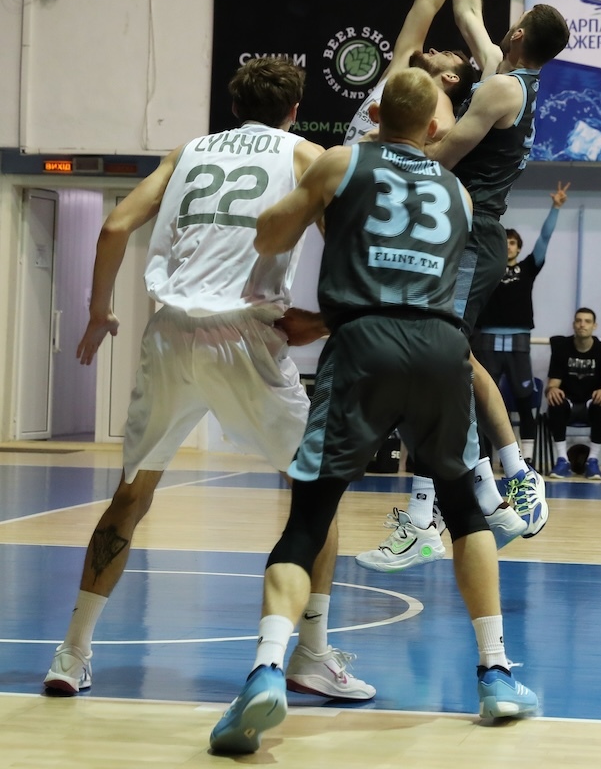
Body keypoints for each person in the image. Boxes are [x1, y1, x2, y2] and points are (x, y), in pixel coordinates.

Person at [209, 68, 539, 755]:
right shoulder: (457, 191)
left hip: (363, 345)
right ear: (435, 128)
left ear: (377, 114)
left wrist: (309, 212)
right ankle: (497, 674)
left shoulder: (342, 160)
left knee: (308, 519)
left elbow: (269, 237)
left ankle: (267, 669)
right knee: (464, 511)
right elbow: (421, 275)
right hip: (441, 348)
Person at [43, 57, 374, 703]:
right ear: (294, 111)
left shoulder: (186, 151)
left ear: (234, 108)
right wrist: (329, 321)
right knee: (316, 493)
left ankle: (72, 652)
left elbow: (114, 227)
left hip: (169, 335)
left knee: (130, 498)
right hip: (246, 332)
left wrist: (99, 311)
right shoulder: (306, 154)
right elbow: (348, 247)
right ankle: (309, 653)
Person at [356, 0, 570, 570]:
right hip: (455, 231)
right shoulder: (505, 73)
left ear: (519, 36)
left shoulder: (502, 91)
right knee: (444, 364)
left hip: (473, 233)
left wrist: (380, 154)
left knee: (441, 363)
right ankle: (484, 493)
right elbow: (468, 11)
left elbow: (443, 157)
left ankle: (488, 488)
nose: (489, 31)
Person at [471, 183, 570, 467]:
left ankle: (526, 460)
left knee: (526, 400)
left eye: (513, 242)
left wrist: (556, 208)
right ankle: (484, 460)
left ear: (519, 247)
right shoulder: (486, 267)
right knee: (482, 402)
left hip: (518, 342)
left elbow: (545, 239)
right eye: (504, 241)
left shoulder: (528, 267)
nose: (508, 246)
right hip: (487, 342)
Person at [544, 308, 601, 480]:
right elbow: (552, 385)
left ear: (594, 326)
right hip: (568, 402)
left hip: (591, 404)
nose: (582, 324)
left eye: (587, 321)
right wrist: (552, 390)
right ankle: (562, 460)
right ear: (574, 324)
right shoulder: (562, 349)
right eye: (579, 321)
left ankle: (593, 461)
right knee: (555, 401)